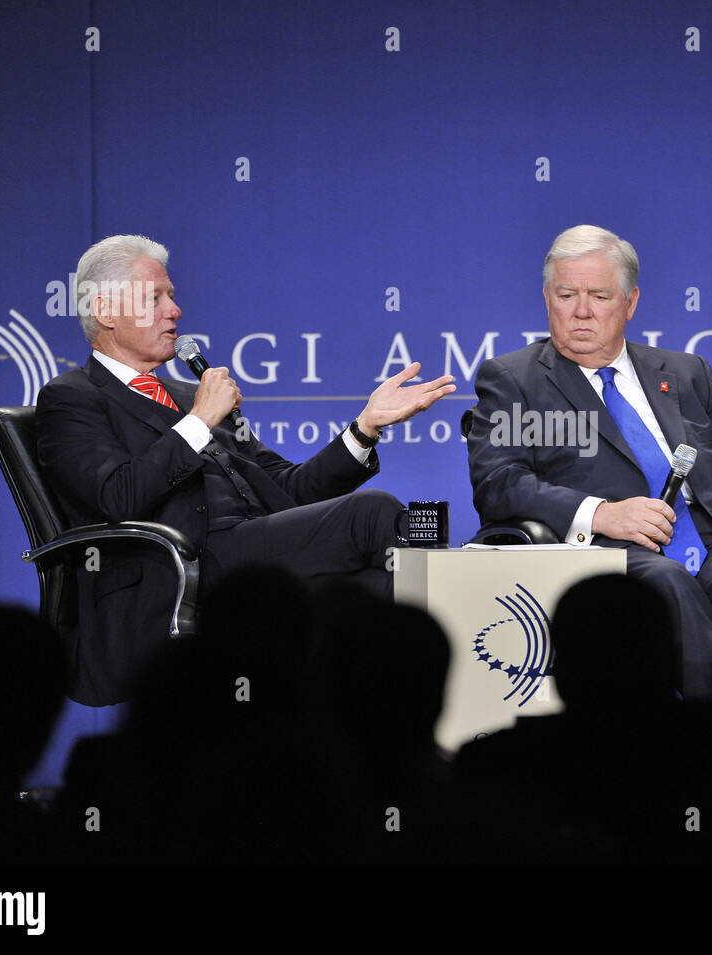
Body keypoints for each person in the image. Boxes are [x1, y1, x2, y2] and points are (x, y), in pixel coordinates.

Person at [36, 234, 455, 704]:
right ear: (107, 312)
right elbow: (118, 496)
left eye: (172, 296)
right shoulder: (71, 398)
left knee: (377, 589)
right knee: (374, 513)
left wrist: (364, 428)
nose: (175, 310)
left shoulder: (184, 393)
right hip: (182, 571)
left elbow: (289, 491)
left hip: (252, 552)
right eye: (155, 298)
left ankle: (405, 734)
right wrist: (199, 421)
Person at [463, 224, 712, 699]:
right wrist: (602, 513)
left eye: (598, 295)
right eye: (566, 294)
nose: (580, 311)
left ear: (630, 303)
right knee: (668, 587)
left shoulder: (686, 373)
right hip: (609, 553)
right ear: (546, 298)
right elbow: (498, 482)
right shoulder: (514, 379)